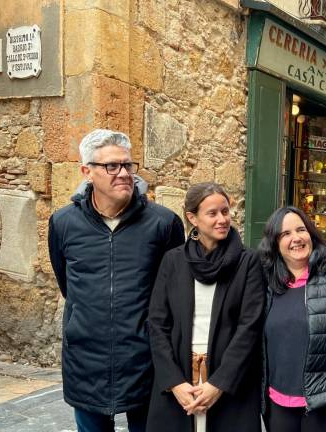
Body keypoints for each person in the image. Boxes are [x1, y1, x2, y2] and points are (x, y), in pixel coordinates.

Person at [48, 129, 185, 432]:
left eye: (127, 165)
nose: (123, 173)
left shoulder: (163, 223)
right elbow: (68, 286)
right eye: (111, 166)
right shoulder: (63, 223)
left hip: (145, 360)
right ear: (87, 172)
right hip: (86, 360)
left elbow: (175, 294)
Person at [146, 182, 265, 432]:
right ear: (193, 218)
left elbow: (250, 326)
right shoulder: (173, 261)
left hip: (229, 378)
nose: (222, 219)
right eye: (212, 213)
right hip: (180, 374)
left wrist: (218, 383)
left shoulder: (248, 262)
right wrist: (175, 382)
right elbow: (157, 323)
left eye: (225, 211)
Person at [259, 206, 326, 432]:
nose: (296, 238)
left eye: (301, 230)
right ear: (274, 243)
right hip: (278, 406)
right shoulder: (266, 283)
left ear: (311, 234)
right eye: (285, 234)